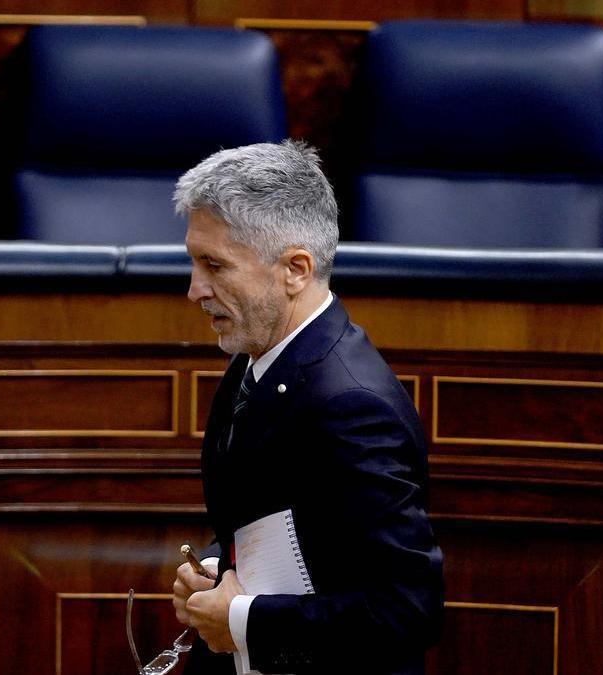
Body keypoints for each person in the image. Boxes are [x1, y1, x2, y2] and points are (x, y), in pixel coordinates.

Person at [169, 140, 444, 675]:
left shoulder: (352, 406)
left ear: (295, 269)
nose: (194, 289)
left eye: (215, 265)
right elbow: (269, 521)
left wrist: (243, 620)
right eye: (193, 261)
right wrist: (212, 571)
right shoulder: (258, 358)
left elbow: (408, 611)